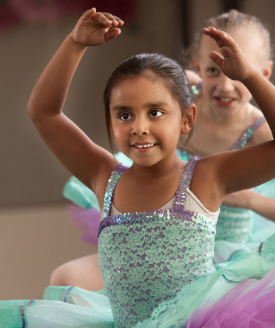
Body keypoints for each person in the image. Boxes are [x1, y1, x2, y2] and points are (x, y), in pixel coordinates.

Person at [4, 8, 275, 327]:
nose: (139, 127)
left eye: (156, 113)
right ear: (109, 120)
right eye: (124, 115)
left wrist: (249, 76)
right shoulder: (104, 176)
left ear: (187, 118)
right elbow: (44, 112)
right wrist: (74, 44)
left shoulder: (206, 178)